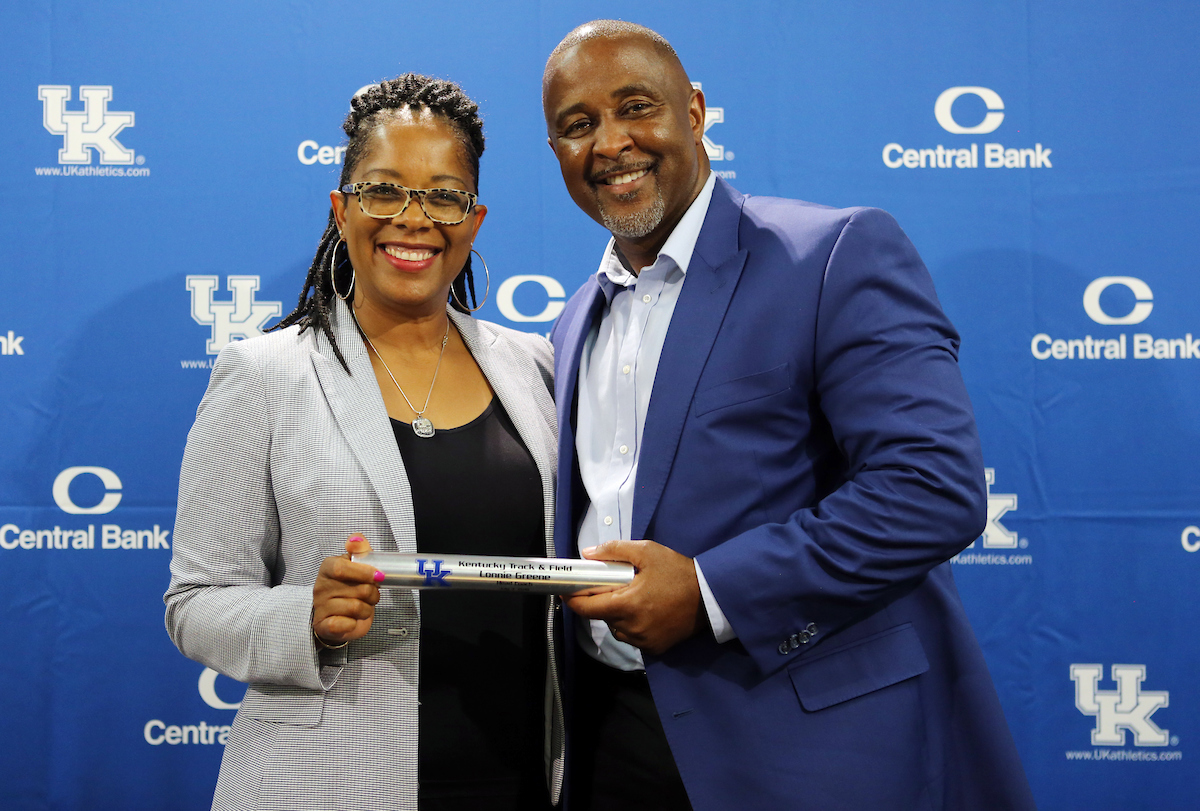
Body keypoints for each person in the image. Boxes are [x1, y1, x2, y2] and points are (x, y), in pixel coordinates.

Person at [542, 21, 1036, 811]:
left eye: (636, 107)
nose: (610, 143)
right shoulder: (573, 324)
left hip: (812, 751)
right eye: (577, 125)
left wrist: (708, 588)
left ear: (695, 112)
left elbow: (931, 487)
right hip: (616, 748)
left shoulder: (832, 253)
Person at [165, 75, 562, 811]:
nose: (413, 220)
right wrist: (301, 616)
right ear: (341, 210)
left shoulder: (536, 365)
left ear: (472, 220)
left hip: (522, 782)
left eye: (443, 196)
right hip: (325, 783)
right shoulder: (264, 374)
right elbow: (193, 601)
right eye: (384, 191)